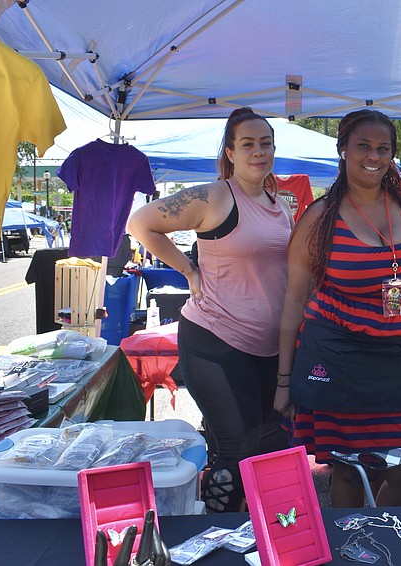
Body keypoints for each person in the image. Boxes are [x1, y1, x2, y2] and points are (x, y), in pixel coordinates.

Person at [274, 109, 401, 508]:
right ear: (343, 149)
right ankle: (352, 548)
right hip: (338, 356)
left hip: (397, 358)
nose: (374, 156)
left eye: (383, 148)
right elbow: (294, 301)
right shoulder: (319, 217)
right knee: (350, 469)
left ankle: (379, 534)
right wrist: (283, 381)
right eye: (363, 145)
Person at [127, 108, 294, 512]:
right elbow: (140, 223)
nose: (259, 152)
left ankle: (248, 535)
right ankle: (216, 537)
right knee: (238, 448)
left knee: (263, 446)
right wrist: (188, 269)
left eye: (266, 143)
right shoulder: (216, 196)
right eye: (248, 144)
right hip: (216, 340)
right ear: (231, 152)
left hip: (268, 348)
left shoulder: (281, 203)